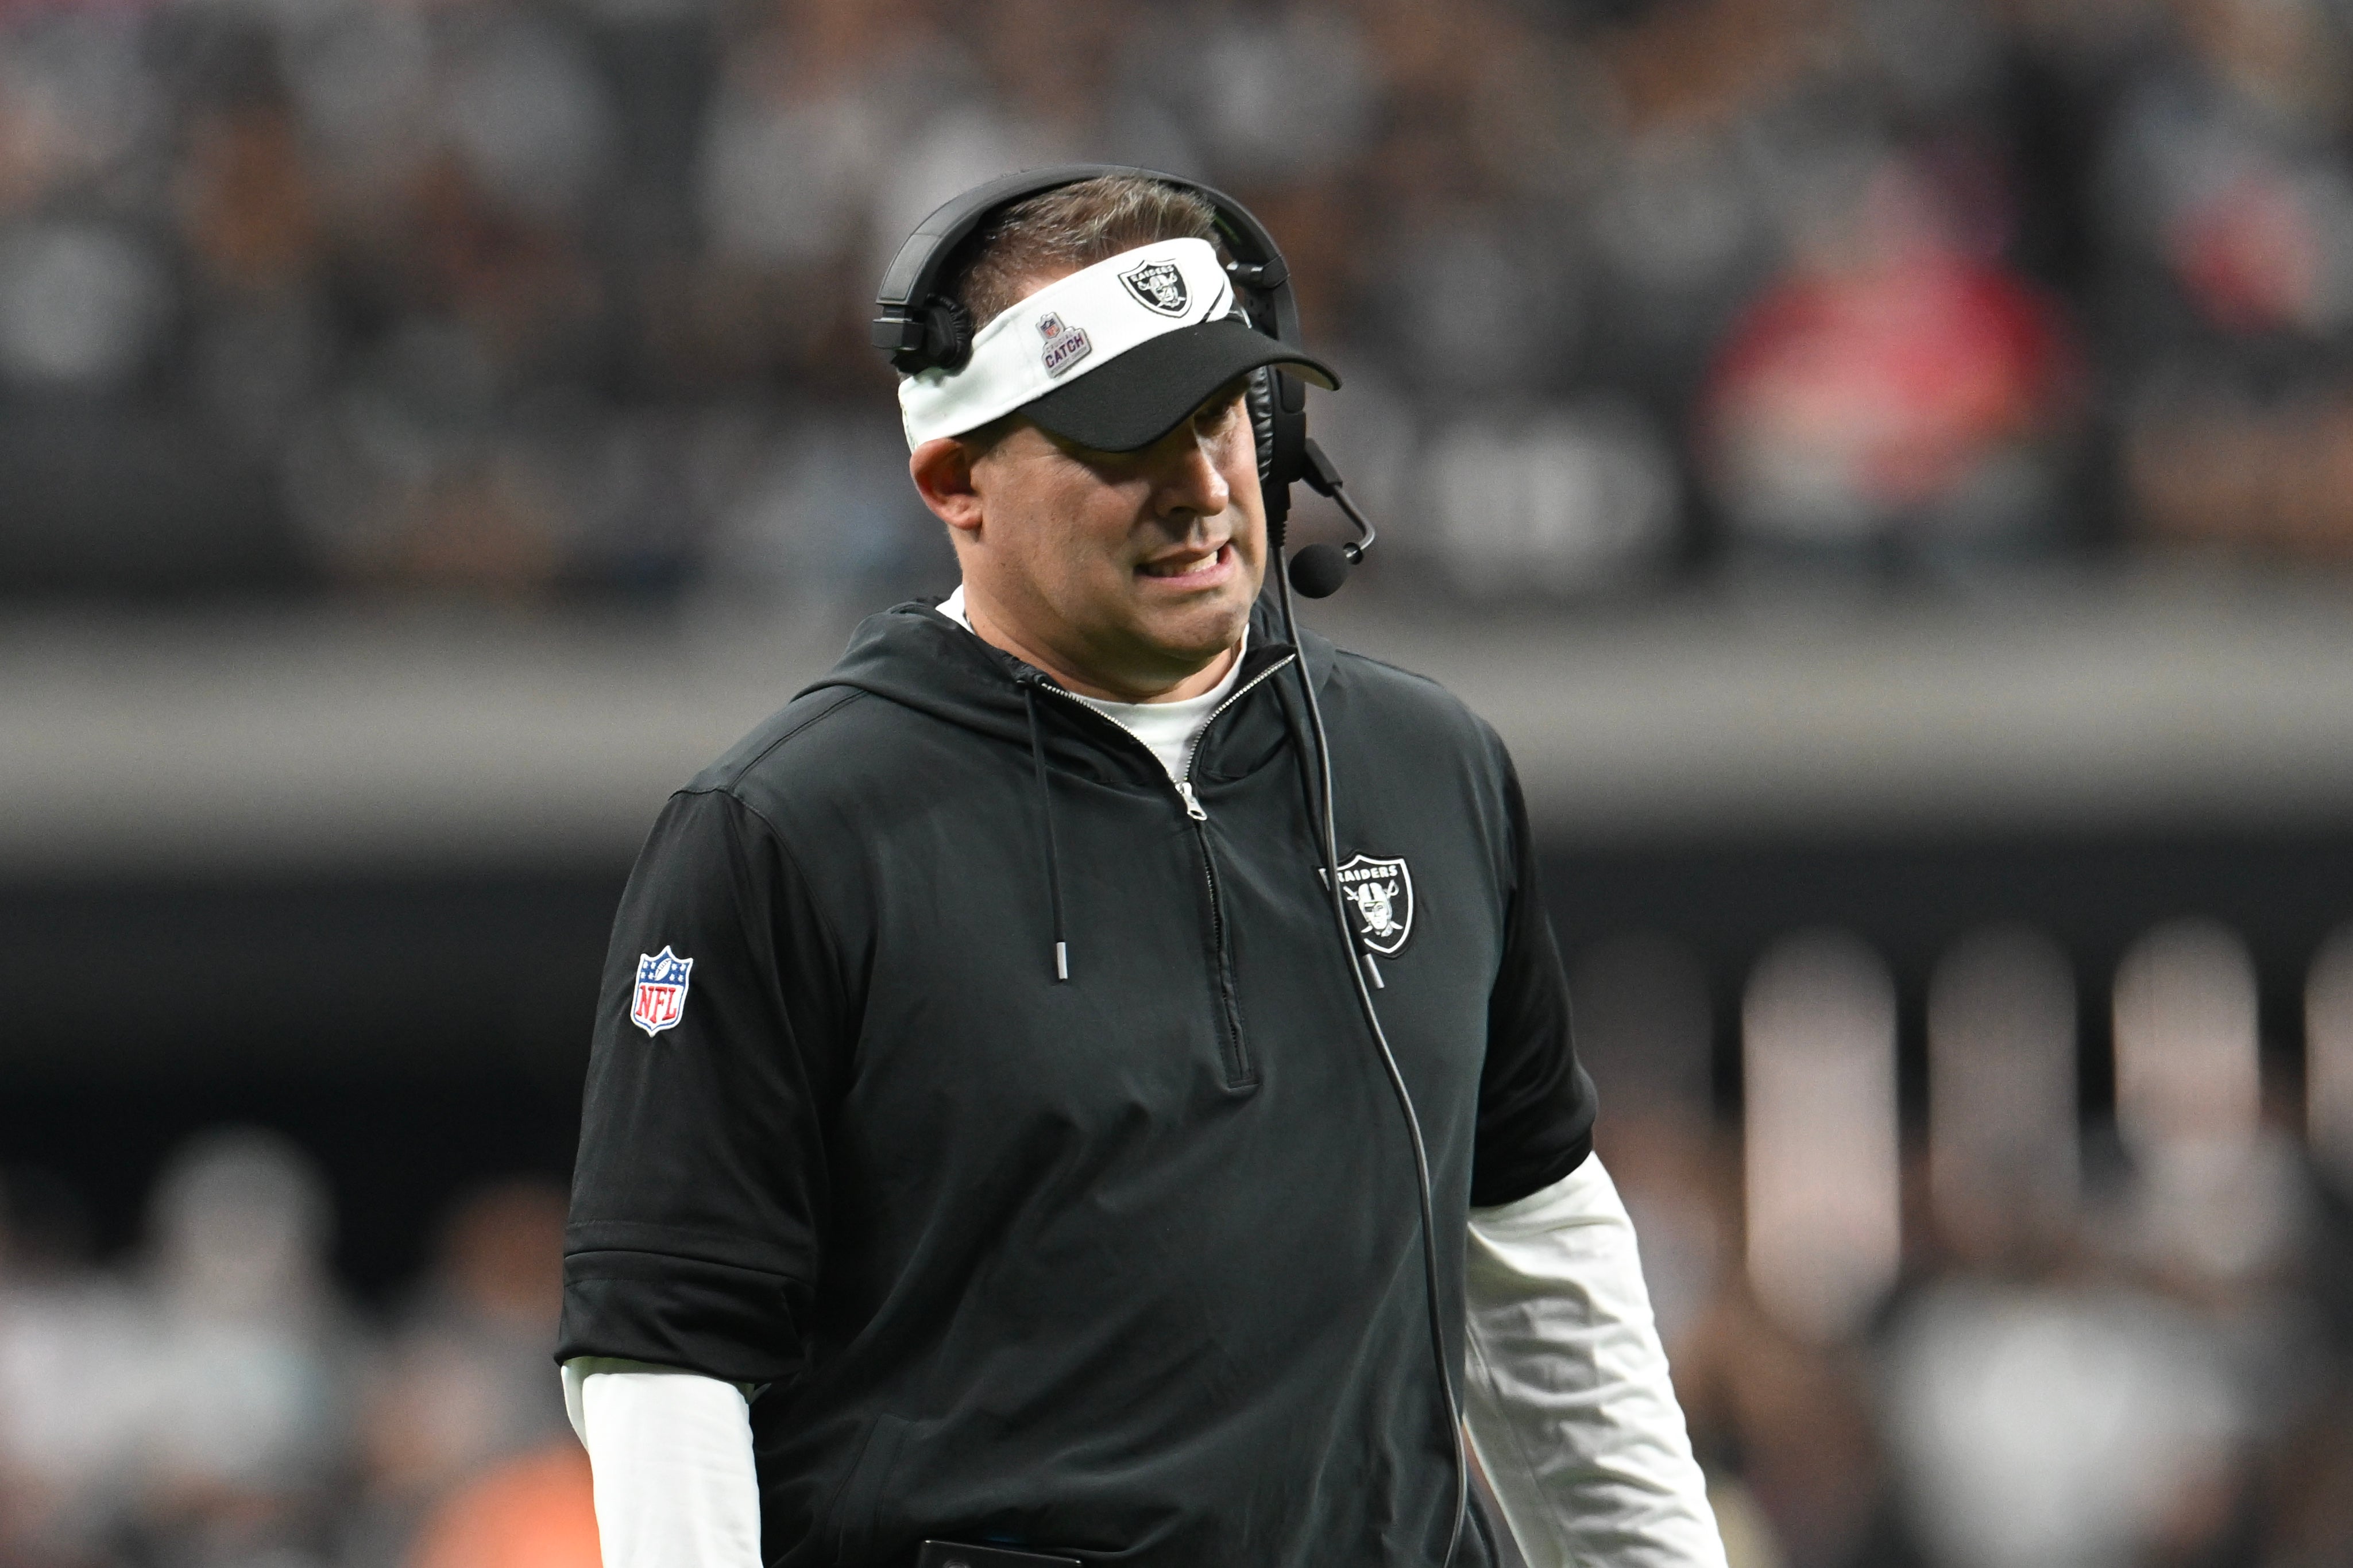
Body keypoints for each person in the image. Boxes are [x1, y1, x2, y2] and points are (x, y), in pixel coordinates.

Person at [558, 171, 1725, 1568]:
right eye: (1125, 442)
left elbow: (1539, 1256)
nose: (1204, 488)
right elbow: (666, 1364)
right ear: (955, 479)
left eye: (1226, 416)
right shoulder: (785, 832)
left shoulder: (1432, 767)